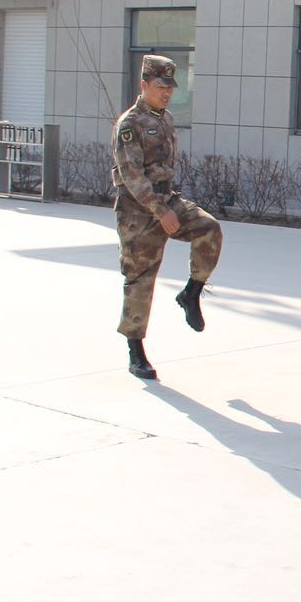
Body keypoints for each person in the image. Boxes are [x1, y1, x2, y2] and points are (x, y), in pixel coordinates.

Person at [111, 55, 224, 379]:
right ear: (144, 85)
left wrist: (167, 206)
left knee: (209, 228)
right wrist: (160, 212)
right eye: (161, 87)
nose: (167, 93)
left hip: (165, 200)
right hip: (137, 211)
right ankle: (136, 353)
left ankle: (191, 292)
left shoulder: (166, 118)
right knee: (139, 280)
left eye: (170, 88)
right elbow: (132, 176)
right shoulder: (129, 125)